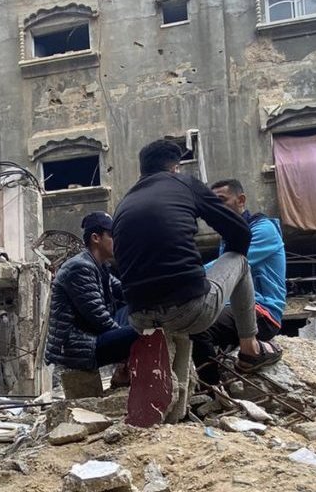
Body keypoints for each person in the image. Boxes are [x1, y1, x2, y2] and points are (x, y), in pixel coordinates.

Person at [112, 140, 275, 420]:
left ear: (143, 170)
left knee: (179, 319)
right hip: (189, 310)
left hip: (139, 319)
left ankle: (175, 411)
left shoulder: (124, 203)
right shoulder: (184, 184)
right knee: (240, 262)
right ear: (175, 168)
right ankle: (250, 349)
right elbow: (239, 232)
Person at [192, 179, 286, 386]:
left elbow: (224, 269)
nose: (215, 208)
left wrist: (187, 275)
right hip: (234, 308)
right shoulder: (229, 237)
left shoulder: (262, 230)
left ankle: (211, 389)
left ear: (241, 200)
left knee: (199, 327)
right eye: (212, 203)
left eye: (221, 201)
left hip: (262, 312)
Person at [45, 212, 136, 383]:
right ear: (96, 238)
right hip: (79, 347)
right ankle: (125, 375)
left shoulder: (101, 267)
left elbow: (127, 293)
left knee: (142, 311)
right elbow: (99, 318)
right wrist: (124, 340)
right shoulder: (79, 267)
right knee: (142, 332)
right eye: (112, 235)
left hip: (93, 336)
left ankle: (125, 370)